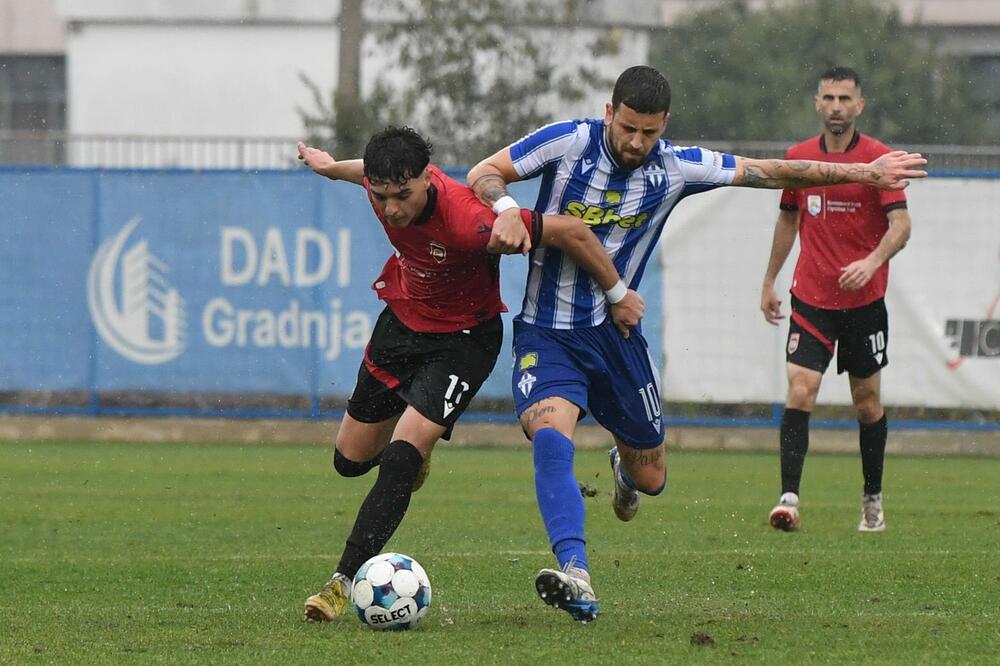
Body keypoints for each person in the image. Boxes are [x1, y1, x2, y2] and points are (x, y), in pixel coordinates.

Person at [466, 65, 926, 622]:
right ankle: (576, 571)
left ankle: (623, 467)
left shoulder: (674, 166)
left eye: (650, 132)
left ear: (665, 126)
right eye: (629, 128)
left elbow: (772, 171)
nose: (637, 143)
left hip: (617, 335)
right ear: (610, 113)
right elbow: (485, 171)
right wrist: (507, 207)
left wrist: (862, 173)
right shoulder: (569, 140)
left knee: (651, 477)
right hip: (546, 331)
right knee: (549, 434)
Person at [295, 126, 644, 623]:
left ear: (425, 181)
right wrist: (332, 168)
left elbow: (573, 232)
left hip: (463, 342)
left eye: (403, 195)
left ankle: (341, 581)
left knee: (400, 457)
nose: (392, 208)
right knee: (349, 461)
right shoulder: (382, 189)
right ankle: (413, 456)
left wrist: (618, 294)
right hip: (401, 324)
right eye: (381, 195)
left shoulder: (468, 219)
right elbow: (365, 175)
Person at [760, 67, 913, 533]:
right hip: (811, 299)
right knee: (801, 388)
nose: (836, 106)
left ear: (859, 106)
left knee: (866, 403)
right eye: (828, 97)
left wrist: (871, 261)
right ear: (817, 104)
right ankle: (788, 499)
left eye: (845, 98)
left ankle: (872, 498)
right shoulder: (799, 159)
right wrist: (769, 280)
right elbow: (788, 221)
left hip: (865, 303)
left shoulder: (881, 161)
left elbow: (901, 227)